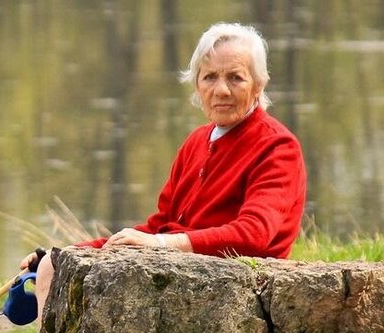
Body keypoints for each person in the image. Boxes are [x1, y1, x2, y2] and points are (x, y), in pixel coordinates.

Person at [20, 22, 307, 316]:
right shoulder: (196, 141)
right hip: (185, 272)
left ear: (259, 85)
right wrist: (71, 252)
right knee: (49, 267)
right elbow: (160, 227)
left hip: (234, 286)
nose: (221, 90)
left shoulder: (277, 147)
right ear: (197, 85)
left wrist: (160, 244)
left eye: (235, 78)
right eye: (210, 77)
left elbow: (253, 234)